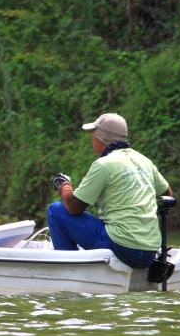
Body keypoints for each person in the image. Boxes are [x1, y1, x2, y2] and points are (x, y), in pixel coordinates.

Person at [47, 112, 172, 269]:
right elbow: (167, 194)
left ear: (101, 137)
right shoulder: (144, 161)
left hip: (123, 247)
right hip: (149, 251)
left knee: (55, 210)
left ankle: (68, 270)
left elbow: (73, 207)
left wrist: (63, 185)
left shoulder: (104, 164)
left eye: (94, 133)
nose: (92, 138)